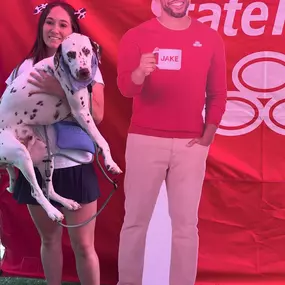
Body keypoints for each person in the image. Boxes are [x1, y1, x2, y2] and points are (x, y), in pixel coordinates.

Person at [116, 0, 227, 284]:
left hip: (191, 145)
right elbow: (126, 88)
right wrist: (140, 72)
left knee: (186, 227)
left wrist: (208, 133)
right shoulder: (136, 36)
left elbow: (218, 92)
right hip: (144, 140)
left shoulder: (209, 38)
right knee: (135, 223)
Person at [5, 2, 104, 285]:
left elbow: (97, 114)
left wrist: (57, 89)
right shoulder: (26, 67)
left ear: (73, 31)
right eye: (50, 22)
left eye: (63, 24)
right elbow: (7, 114)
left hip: (73, 164)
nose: (55, 30)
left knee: (84, 246)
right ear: (41, 26)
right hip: (34, 165)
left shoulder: (87, 62)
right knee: (49, 241)